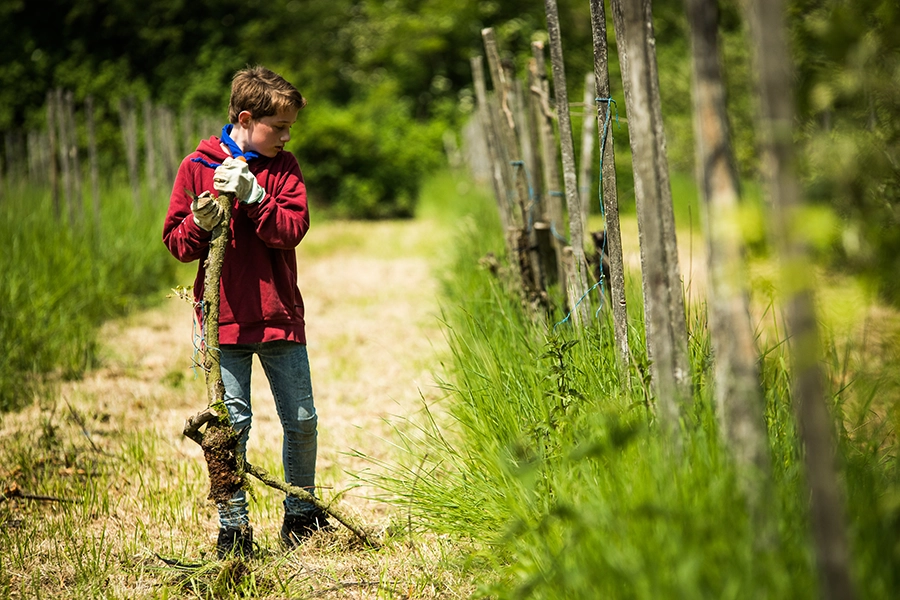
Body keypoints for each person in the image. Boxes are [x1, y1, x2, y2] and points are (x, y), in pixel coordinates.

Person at [163, 65, 330, 558]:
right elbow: (177, 244)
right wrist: (198, 220)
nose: (286, 135)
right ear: (245, 117)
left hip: (279, 317)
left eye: (290, 128)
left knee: (301, 419)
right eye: (278, 126)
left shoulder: (284, 169)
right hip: (222, 320)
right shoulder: (197, 166)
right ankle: (234, 529)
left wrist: (255, 197)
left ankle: (301, 516)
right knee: (231, 425)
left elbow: (291, 230)